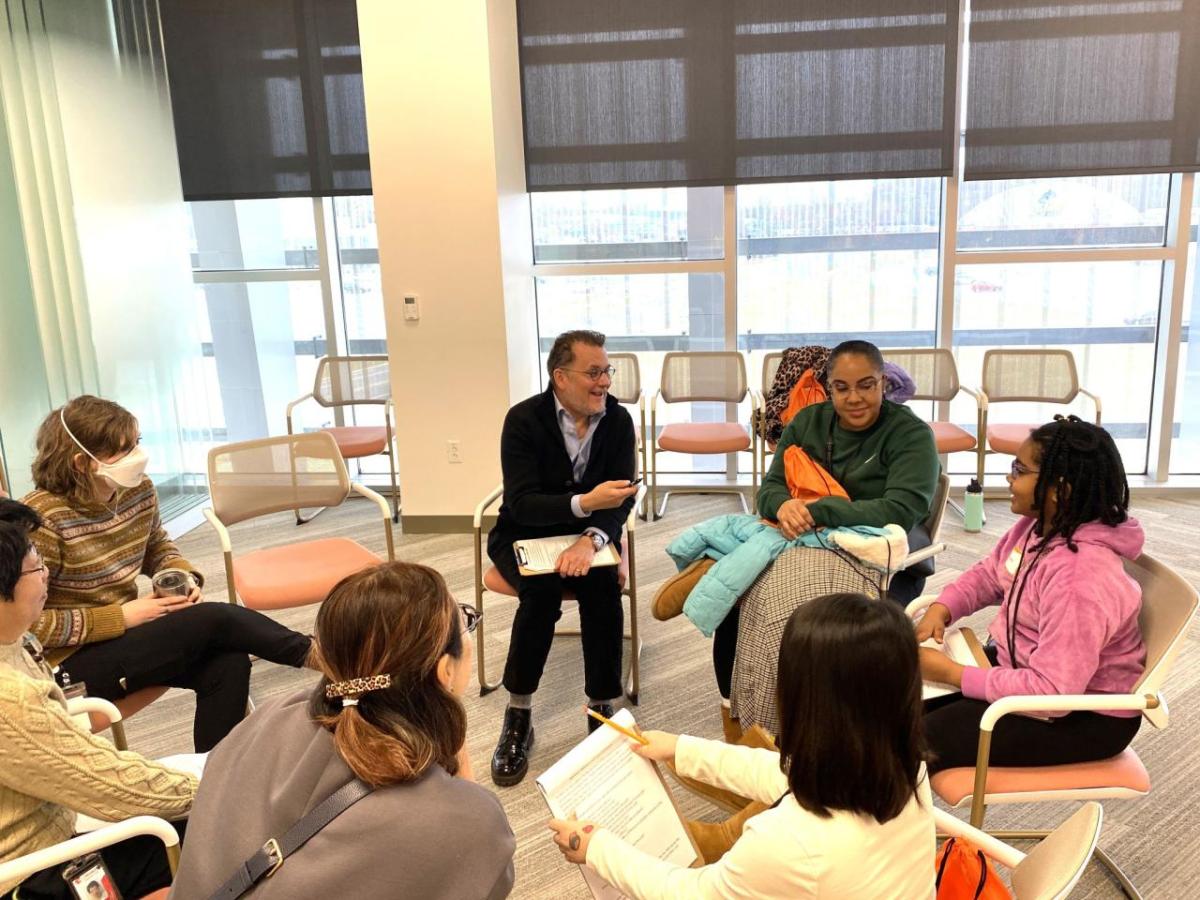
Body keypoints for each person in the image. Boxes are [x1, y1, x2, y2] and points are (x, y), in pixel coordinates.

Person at [547, 593, 936, 899]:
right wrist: (681, 750)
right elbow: (782, 776)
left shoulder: (788, 842)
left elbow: (688, 892)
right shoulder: (904, 767)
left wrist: (596, 848)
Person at [169, 562, 515, 900]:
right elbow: (492, 877)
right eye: (466, 623)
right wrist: (457, 752)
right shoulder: (467, 822)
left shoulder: (271, 714)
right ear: (445, 671)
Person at [656, 340, 939, 735]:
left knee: (815, 622)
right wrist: (784, 506)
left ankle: (819, 730)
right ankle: (739, 719)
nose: (854, 398)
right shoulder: (808, 423)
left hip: (883, 555)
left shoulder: (911, 435)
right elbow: (769, 488)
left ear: (883, 382)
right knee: (739, 602)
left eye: (866, 385)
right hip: (804, 537)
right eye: (841, 387)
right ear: (828, 386)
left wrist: (817, 510)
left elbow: (900, 509)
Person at [20, 396, 314, 752]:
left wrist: (177, 576)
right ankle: (326, 658)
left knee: (228, 661)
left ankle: (212, 781)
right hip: (67, 665)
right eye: (123, 450)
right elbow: (27, 627)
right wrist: (119, 618)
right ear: (82, 462)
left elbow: (157, 545)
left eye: (136, 443)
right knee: (216, 620)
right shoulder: (40, 521)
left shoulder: (138, 489)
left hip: (129, 638)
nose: (137, 457)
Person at [917, 416, 1146, 773]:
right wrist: (943, 608)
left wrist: (952, 674)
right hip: (1026, 674)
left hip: (1082, 714)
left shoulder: (1080, 579)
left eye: (1019, 470)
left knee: (913, 739)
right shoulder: (1039, 528)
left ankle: (884, 821)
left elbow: (1052, 694)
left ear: (1060, 490)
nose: (1009, 478)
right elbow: (991, 575)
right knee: (895, 704)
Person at [0, 505, 195, 900]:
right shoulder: (10, 699)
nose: (46, 575)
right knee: (228, 825)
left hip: (54, 822)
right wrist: (219, 786)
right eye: (36, 565)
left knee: (217, 643)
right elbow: (107, 785)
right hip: (30, 872)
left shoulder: (13, 640)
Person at [488, 330, 639, 787]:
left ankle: (601, 708)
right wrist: (583, 503)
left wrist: (589, 539)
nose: (604, 383)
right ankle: (518, 715)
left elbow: (622, 499)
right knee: (540, 592)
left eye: (607, 371)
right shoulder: (523, 420)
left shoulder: (618, 421)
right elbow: (523, 503)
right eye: (593, 373)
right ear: (560, 376)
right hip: (523, 532)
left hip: (588, 535)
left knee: (602, 589)